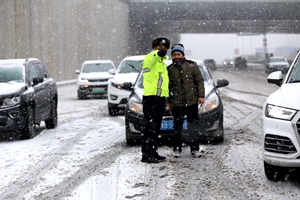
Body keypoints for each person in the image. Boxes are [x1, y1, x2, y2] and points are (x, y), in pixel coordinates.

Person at [166, 43, 205, 158]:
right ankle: (177, 148)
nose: (176, 57)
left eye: (178, 54)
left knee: (193, 126)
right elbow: (168, 87)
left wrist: (200, 96)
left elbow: (199, 82)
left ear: (183, 55)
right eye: (174, 55)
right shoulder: (170, 69)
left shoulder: (192, 66)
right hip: (177, 103)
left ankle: (195, 149)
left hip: (192, 101)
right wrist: (168, 101)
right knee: (177, 127)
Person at [141, 36, 170, 163]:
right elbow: (152, 57)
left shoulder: (162, 64)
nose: (162, 49)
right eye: (159, 47)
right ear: (154, 48)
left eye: (165, 48)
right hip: (151, 98)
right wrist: (157, 53)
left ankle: (153, 151)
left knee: (156, 128)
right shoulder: (150, 58)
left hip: (159, 99)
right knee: (150, 127)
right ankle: (147, 155)